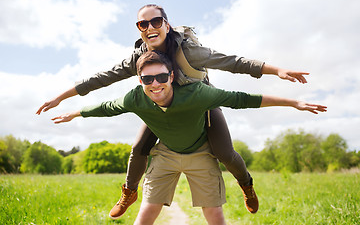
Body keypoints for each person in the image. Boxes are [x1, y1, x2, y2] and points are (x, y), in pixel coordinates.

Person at [37, 4, 310, 217]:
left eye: (156, 21)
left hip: (199, 102)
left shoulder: (190, 52)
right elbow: (102, 78)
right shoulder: (138, 58)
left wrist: (278, 70)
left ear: (166, 24)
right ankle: (129, 193)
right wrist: (61, 98)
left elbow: (234, 62)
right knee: (138, 148)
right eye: (142, 24)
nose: (149, 27)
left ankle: (246, 185)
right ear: (139, 29)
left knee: (224, 152)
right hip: (161, 104)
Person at [52, 51, 326, 225]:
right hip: (166, 154)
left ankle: (247, 185)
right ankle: (128, 192)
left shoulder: (197, 92)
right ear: (140, 82)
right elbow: (106, 107)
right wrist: (74, 113)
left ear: (171, 76)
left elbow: (241, 98)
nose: (155, 83)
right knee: (147, 211)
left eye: (161, 77)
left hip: (200, 152)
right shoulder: (135, 97)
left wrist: (293, 103)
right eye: (148, 80)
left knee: (215, 212)